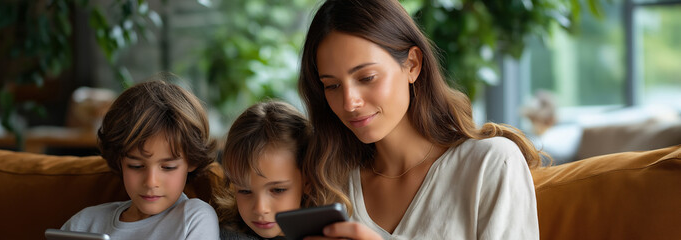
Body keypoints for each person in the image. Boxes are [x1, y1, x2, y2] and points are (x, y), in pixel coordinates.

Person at [297, 0, 545, 239]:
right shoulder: (332, 186)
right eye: (332, 85)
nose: (349, 102)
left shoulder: (490, 163)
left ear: (412, 65)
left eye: (367, 78)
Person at [61, 75, 220, 239]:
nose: (151, 182)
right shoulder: (84, 223)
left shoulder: (193, 218)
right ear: (119, 160)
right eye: (136, 166)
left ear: (192, 161)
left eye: (168, 167)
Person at [213, 100, 315, 239]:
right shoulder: (218, 234)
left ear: (307, 181)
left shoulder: (334, 233)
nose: (260, 209)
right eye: (245, 191)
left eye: (278, 190)